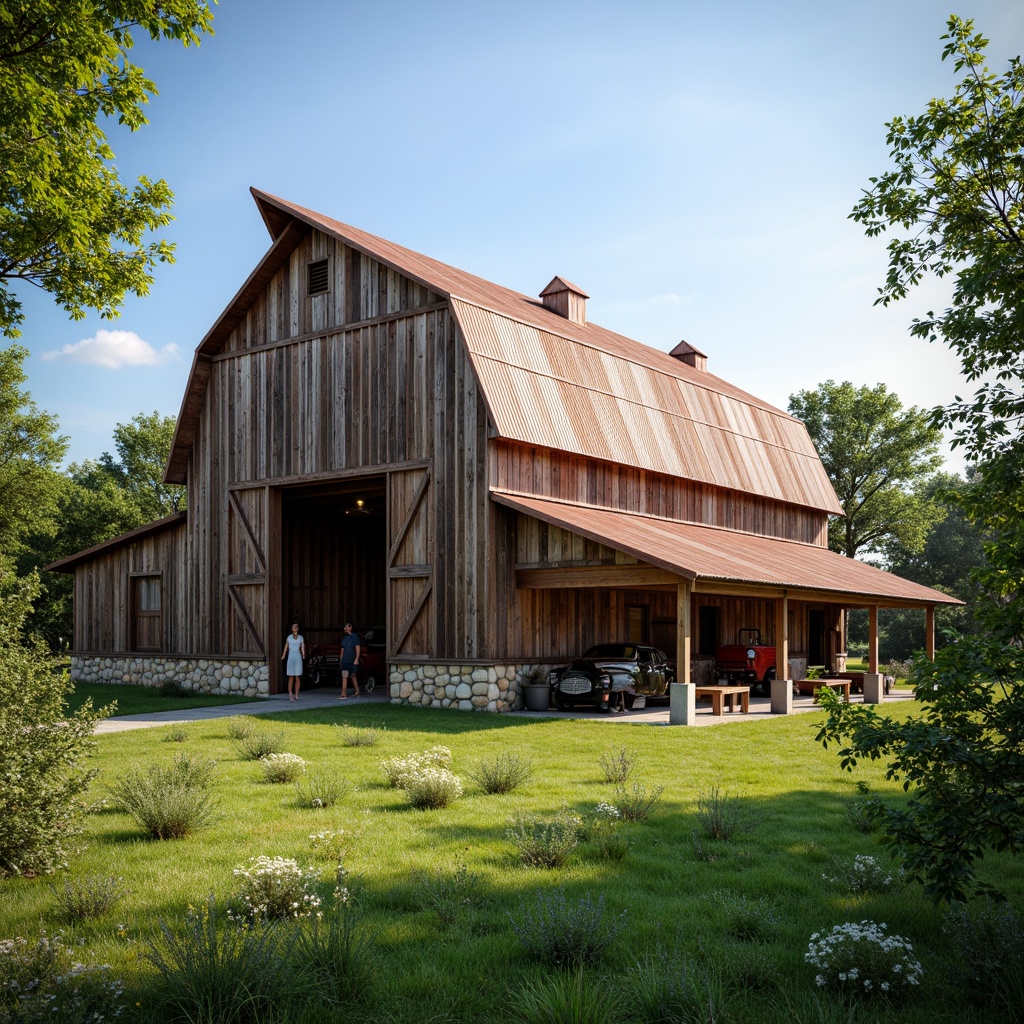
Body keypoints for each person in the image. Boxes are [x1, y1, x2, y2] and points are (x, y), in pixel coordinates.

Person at [280, 622, 305, 701]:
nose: (295, 627)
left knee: (297, 677)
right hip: (291, 658)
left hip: (298, 657)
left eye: (296, 626)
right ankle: (290, 694)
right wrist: (283, 656)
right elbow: (286, 647)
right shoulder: (289, 637)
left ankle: (296, 694)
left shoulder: (301, 637)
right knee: (291, 676)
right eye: (294, 626)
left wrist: (303, 654)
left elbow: (302, 647)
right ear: (291, 628)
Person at [339, 621, 361, 699]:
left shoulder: (355, 637)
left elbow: (357, 648)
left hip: (352, 660)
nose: (346, 628)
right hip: (345, 660)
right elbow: (342, 651)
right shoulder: (344, 639)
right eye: (345, 627)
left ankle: (357, 691)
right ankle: (343, 694)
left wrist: (357, 659)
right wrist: (341, 660)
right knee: (344, 676)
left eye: (348, 627)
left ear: (351, 628)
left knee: (353, 675)